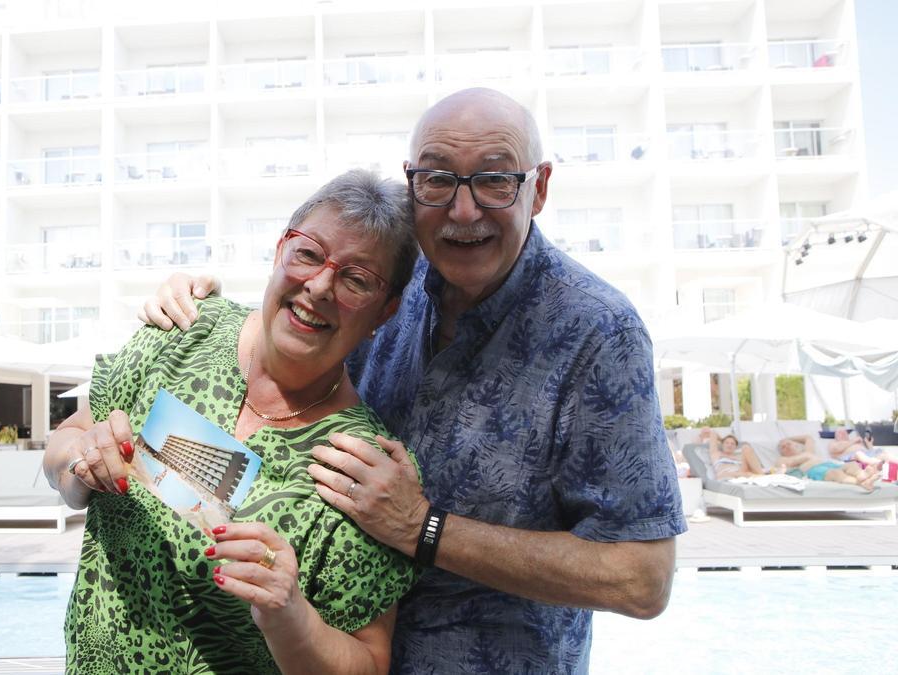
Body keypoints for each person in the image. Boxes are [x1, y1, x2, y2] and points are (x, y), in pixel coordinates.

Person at [140, 87, 686, 672]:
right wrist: (209, 319)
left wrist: (423, 528)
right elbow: (290, 366)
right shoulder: (382, 282)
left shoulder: (599, 332)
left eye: (494, 180)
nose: (464, 211)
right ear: (412, 184)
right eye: (438, 179)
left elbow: (642, 579)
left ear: (540, 188)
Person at [44, 170, 422, 673]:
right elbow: (64, 444)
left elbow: (369, 664)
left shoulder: (362, 467)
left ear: (385, 312)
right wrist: (80, 465)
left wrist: (290, 615)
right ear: (280, 250)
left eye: (356, 280)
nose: (319, 286)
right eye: (308, 253)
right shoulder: (184, 330)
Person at [698, 427, 767, 479]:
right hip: (726, 474)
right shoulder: (716, 454)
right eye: (727, 443)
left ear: (735, 447)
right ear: (722, 444)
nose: (729, 445)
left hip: (741, 472)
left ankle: (762, 476)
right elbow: (714, 433)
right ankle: (760, 476)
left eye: (732, 444)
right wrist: (723, 440)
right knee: (742, 474)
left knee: (746, 447)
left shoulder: (738, 457)